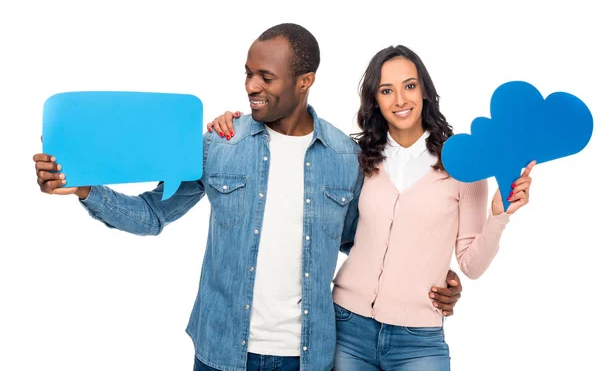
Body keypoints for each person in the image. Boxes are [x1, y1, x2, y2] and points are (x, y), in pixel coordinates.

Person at [33, 24, 462, 371]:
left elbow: (361, 241)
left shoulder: (345, 158)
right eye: (248, 73)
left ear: (305, 80)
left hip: (309, 356)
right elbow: (151, 216)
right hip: (221, 352)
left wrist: (433, 275)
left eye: (266, 78)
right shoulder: (220, 143)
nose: (251, 86)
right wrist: (85, 189)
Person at [206, 45, 534, 370]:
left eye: (409, 86)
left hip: (418, 338)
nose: (400, 100)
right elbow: (342, 233)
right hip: (347, 328)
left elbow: (472, 265)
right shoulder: (357, 157)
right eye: (386, 90)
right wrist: (239, 123)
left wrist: (499, 215)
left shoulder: (464, 164)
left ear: (425, 91)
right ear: (375, 99)